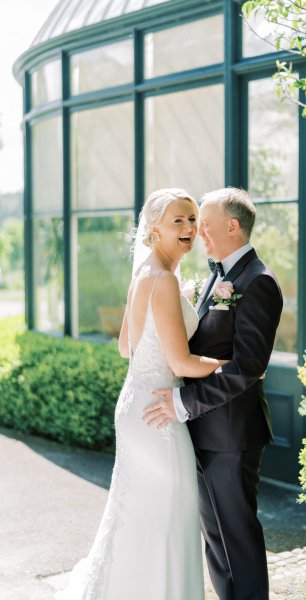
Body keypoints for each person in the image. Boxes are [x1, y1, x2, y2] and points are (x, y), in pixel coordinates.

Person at [56, 188, 228, 600]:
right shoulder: (163, 279)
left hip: (137, 404)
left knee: (141, 514)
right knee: (170, 515)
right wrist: (237, 368)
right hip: (159, 415)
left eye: (191, 219)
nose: (189, 228)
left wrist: (169, 319)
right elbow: (184, 364)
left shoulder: (145, 274)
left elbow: (125, 347)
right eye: (178, 221)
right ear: (154, 229)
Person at [144, 187, 283, 600]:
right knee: (216, 543)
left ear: (233, 226)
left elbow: (247, 367)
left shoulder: (257, 282)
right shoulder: (217, 275)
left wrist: (181, 403)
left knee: (237, 539)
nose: (197, 230)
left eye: (203, 222)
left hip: (232, 437)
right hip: (203, 432)